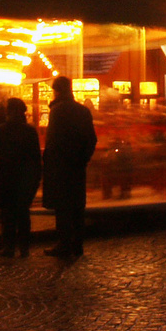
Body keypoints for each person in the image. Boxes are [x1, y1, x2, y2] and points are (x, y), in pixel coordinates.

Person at [41, 76, 98, 259]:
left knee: (63, 207)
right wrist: (84, 158)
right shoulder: (82, 111)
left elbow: (53, 141)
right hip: (78, 167)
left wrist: (51, 162)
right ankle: (78, 245)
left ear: (57, 91)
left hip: (61, 167)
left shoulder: (57, 111)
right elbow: (91, 138)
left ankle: (64, 244)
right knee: (77, 207)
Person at [0, 97, 42, 257]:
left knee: (8, 216)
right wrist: (35, 181)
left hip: (7, 180)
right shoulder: (30, 132)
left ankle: (9, 247)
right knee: (23, 216)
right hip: (25, 181)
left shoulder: (2, 131)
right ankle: (24, 248)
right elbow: (36, 159)